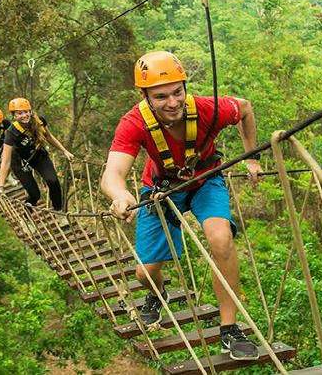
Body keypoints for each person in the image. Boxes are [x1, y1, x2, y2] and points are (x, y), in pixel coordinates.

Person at [100, 50, 263, 361]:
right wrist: (119, 195)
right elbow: (113, 173)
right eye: (161, 96)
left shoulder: (205, 109)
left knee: (221, 239)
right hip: (161, 190)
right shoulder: (134, 123)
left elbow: (244, 108)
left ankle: (229, 329)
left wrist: (252, 156)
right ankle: (157, 291)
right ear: (144, 95)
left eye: (178, 92)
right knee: (145, 273)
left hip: (205, 180)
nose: (173, 102)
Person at [0, 98, 74, 212]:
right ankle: (27, 215)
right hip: (20, 163)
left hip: (38, 155)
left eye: (26, 111)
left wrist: (64, 151)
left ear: (30, 111)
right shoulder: (11, 133)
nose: (24, 115)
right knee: (35, 194)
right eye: (20, 113)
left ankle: (58, 210)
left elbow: (49, 137)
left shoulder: (39, 121)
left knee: (53, 181)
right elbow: (6, 161)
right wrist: (0, 187)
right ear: (14, 115)